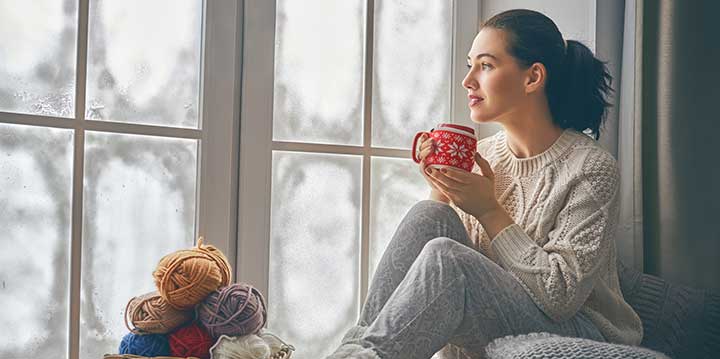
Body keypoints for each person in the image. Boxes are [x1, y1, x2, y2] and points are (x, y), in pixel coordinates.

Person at [326, 8, 642, 359]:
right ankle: (353, 353)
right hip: (504, 317)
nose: (468, 80)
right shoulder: (484, 154)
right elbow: (461, 277)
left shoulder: (591, 168)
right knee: (429, 215)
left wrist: (489, 210)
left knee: (448, 258)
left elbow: (560, 295)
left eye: (486, 65)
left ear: (533, 77)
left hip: (581, 332)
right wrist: (442, 189)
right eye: (469, 64)